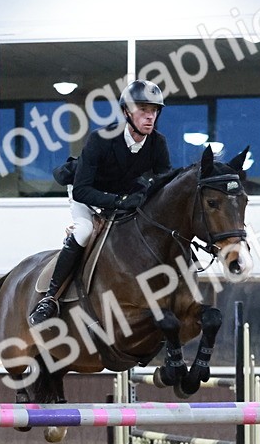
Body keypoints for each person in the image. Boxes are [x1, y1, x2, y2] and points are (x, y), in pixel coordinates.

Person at [28, 80, 172, 326]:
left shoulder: (157, 143)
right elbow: (83, 190)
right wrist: (121, 201)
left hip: (123, 197)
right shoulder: (101, 139)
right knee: (84, 232)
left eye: (154, 111)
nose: (150, 117)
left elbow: (164, 184)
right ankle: (50, 298)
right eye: (143, 110)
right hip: (87, 193)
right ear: (127, 112)